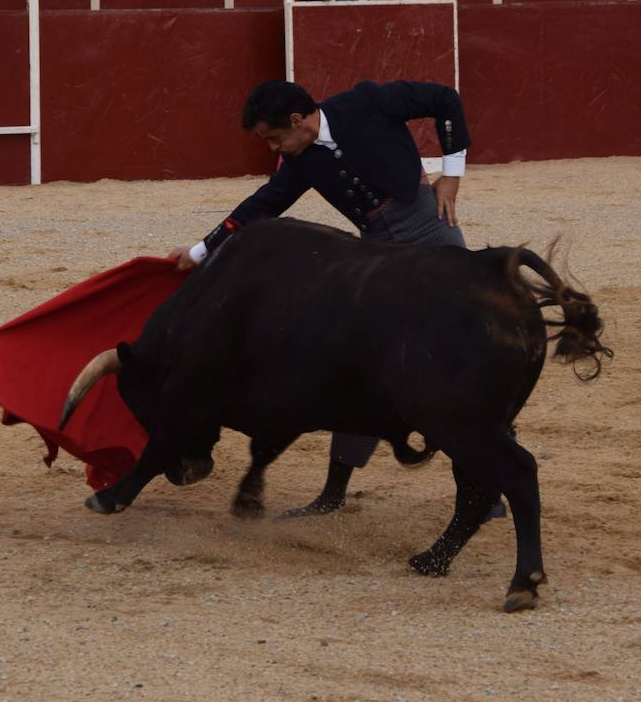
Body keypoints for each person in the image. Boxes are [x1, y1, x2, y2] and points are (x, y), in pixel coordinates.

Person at [165, 79, 472, 518]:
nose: (275, 147)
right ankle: (332, 494)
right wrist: (199, 251)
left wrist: (452, 175)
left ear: (297, 121)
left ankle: (486, 483)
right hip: (378, 251)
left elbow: (444, 99)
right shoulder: (300, 160)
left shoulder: (366, 103)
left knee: (461, 359)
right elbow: (261, 206)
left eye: (274, 138)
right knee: (364, 367)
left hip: (430, 227)